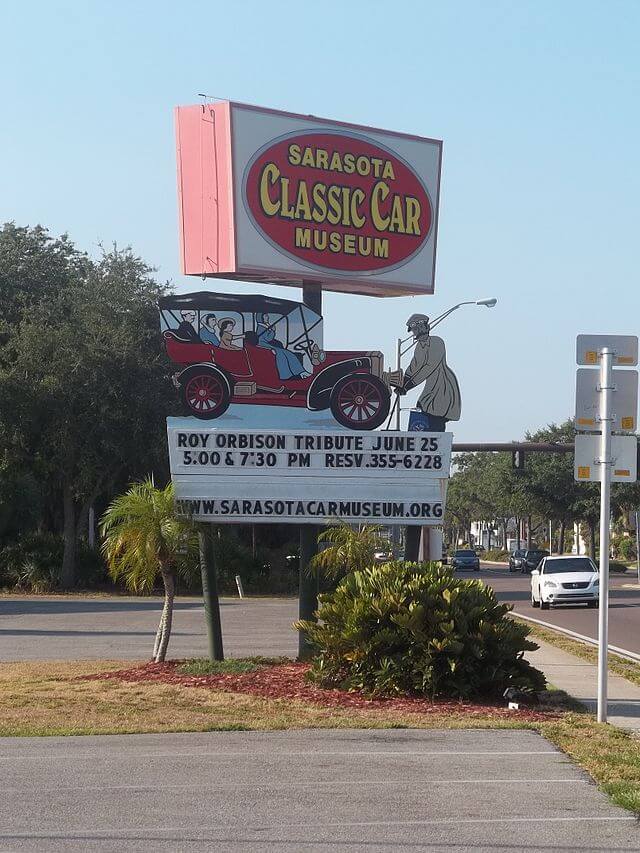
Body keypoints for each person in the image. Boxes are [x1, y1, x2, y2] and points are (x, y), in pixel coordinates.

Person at [395, 313, 461, 431]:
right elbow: (414, 366)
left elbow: (429, 367)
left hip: (442, 384)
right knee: (423, 408)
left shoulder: (437, 342)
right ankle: (426, 441)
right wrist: (403, 381)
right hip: (431, 385)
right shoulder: (419, 346)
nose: (413, 333)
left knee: (435, 413)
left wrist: (408, 386)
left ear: (422, 328)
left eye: (415, 329)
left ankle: (436, 441)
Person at [256, 312, 308, 379]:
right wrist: (273, 331)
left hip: (266, 344)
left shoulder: (264, 326)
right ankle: (287, 375)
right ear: (261, 318)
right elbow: (268, 338)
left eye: (267, 315)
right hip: (263, 345)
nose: (267, 317)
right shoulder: (261, 327)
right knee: (281, 353)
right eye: (265, 316)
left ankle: (299, 372)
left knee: (286, 353)